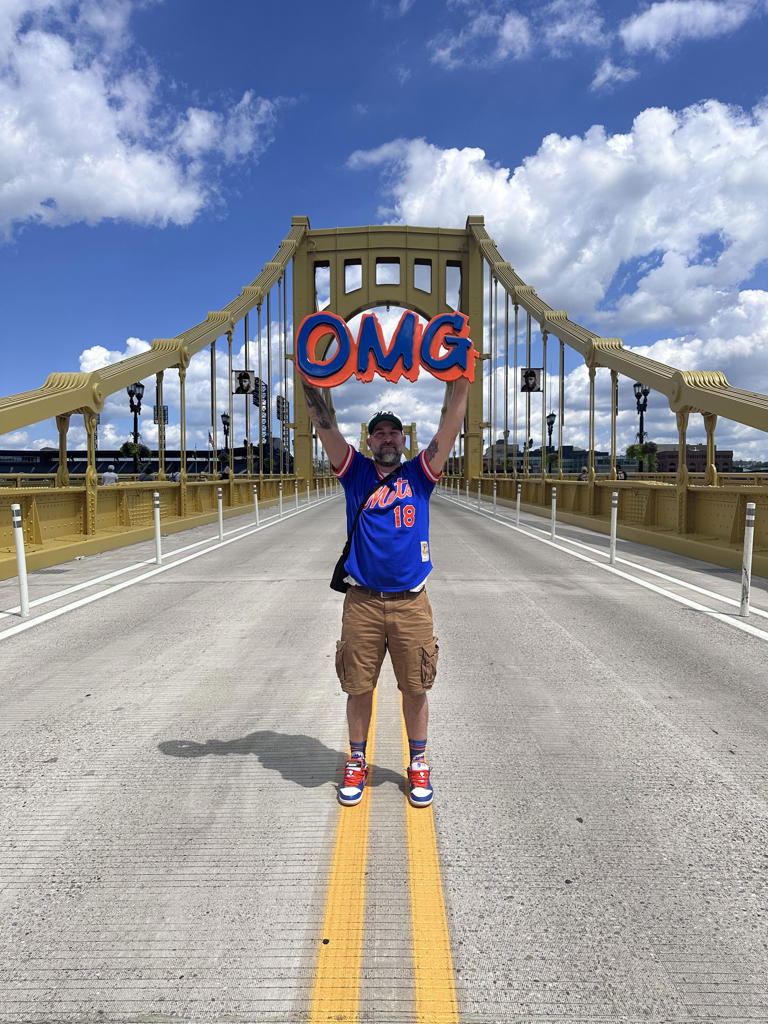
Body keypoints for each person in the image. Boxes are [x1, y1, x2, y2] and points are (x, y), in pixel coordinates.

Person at [301, 378, 470, 809]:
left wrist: (463, 377)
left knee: (416, 687)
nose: (388, 437)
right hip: (362, 602)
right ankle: (356, 761)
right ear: (370, 440)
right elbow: (323, 425)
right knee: (359, 687)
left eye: (394, 431)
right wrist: (308, 380)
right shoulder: (355, 472)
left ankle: (418, 763)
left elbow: (452, 423)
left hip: (412, 601)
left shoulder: (420, 474)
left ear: (403, 439)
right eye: (380, 432)